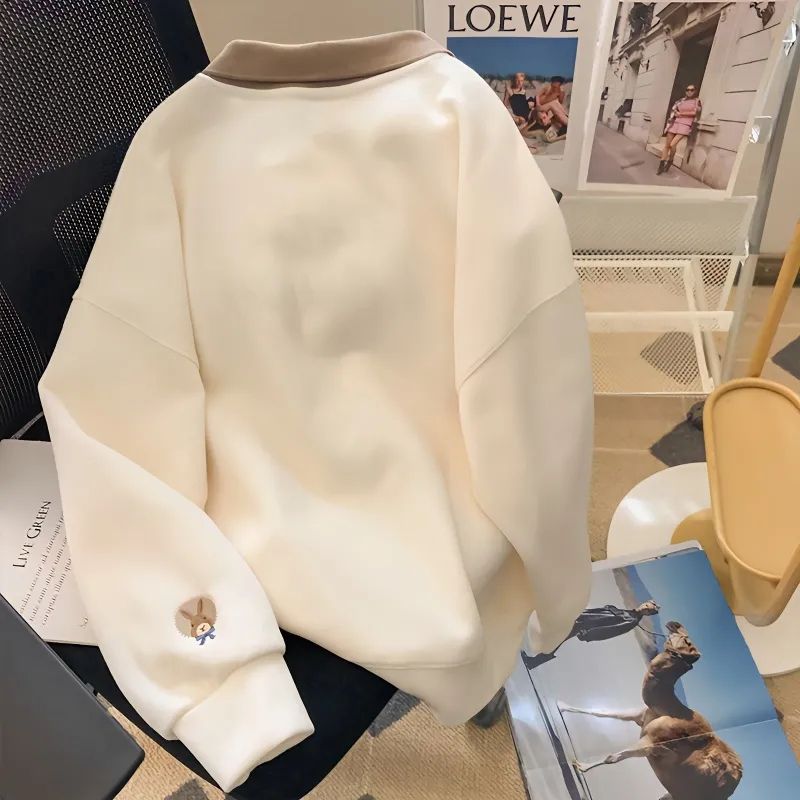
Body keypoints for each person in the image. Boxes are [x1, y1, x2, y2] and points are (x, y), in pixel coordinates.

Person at [521, 600, 661, 670]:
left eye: (648, 610)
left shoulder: (632, 620)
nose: (644, 608)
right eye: (646, 605)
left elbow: (611, 630)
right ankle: (535, 658)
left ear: (648, 614)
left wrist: (589, 634)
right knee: (559, 633)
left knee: (560, 637)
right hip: (583, 617)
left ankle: (535, 660)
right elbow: (605, 613)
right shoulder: (630, 612)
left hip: (584, 625)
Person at [658, 84, 702, 175]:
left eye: (692, 90)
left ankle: (670, 160)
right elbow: (673, 109)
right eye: (687, 90)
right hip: (675, 122)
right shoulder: (681, 100)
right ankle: (661, 165)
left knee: (672, 144)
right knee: (667, 145)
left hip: (686, 125)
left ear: (695, 91)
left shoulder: (697, 101)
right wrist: (675, 112)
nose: (689, 91)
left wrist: (681, 114)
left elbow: (695, 112)